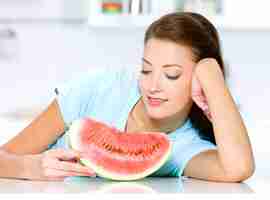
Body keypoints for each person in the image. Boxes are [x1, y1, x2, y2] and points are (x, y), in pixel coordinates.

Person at [0, 12, 255, 182]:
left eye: (172, 75)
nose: (152, 86)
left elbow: (238, 168)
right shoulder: (98, 89)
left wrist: (211, 73)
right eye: (146, 70)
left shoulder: (182, 146)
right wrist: (30, 168)